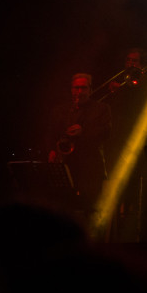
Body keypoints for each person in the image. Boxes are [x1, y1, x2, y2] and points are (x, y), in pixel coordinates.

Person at [46, 73, 112, 214]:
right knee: (62, 207)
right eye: (76, 88)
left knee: (88, 208)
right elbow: (51, 132)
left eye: (83, 88)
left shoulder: (101, 108)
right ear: (71, 89)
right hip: (66, 165)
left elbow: (106, 133)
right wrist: (52, 150)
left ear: (90, 89)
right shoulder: (60, 110)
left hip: (89, 167)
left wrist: (83, 131)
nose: (79, 92)